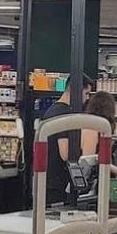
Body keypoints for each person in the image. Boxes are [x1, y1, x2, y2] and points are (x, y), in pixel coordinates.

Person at [42, 75, 93, 204]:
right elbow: (65, 154)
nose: (87, 98)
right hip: (58, 184)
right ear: (76, 91)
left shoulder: (52, 111)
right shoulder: (64, 115)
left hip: (49, 180)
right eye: (86, 93)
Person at [81, 91, 117, 179]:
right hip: (96, 181)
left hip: (104, 177)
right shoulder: (91, 128)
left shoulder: (102, 128)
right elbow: (88, 161)